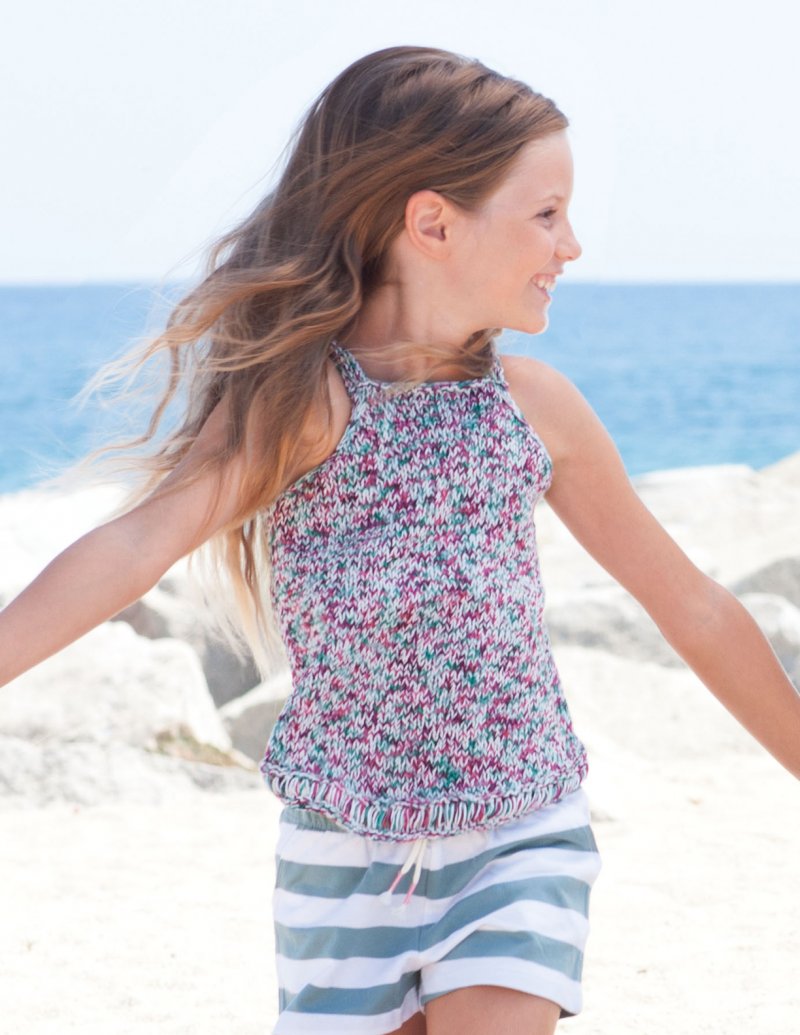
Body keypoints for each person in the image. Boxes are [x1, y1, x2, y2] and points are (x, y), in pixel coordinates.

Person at [1, 44, 798, 1035]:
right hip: (342, 856)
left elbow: (691, 604)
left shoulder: (534, 411)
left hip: (519, 828)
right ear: (432, 223)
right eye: (546, 214)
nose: (572, 245)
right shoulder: (307, 409)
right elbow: (135, 548)